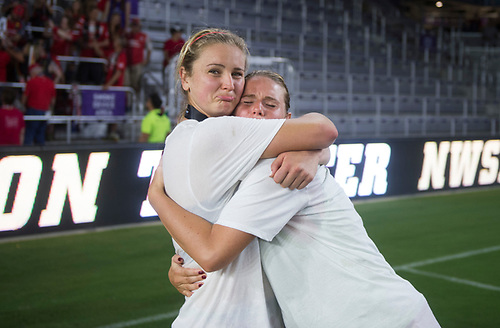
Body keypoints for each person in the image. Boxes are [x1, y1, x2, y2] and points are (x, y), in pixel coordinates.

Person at [149, 70, 441, 327]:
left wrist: (156, 197)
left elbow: (212, 252)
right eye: (247, 102)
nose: (258, 111)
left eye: (270, 104)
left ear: (289, 120)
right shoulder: (249, 173)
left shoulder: (277, 171)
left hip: (375, 318)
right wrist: (181, 266)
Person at [148, 28, 338, 327]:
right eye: (214, 71)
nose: (229, 85)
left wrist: (313, 155)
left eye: (237, 73)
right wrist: (314, 150)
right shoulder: (218, 133)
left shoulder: (182, 138)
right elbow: (323, 130)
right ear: (184, 77)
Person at [22, 63, 55, 146]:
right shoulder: (50, 82)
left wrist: (22, 108)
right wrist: (50, 109)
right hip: (45, 111)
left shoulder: (31, 82)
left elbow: (24, 97)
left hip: (33, 110)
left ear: (33, 73)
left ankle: (26, 154)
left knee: (29, 134)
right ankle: (41, 155)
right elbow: (53, 100)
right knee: (41, 135)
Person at [125, 18, 151, 93]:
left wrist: (147, 59)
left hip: (138, 63)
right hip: (127, 63)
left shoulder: (144, 36)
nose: (135, 27)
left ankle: (136, 101)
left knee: (136, 84)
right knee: (127, 83)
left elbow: (149, 48)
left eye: (136, 25)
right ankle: (128, 102)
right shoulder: (127, 35)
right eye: (133, 25)